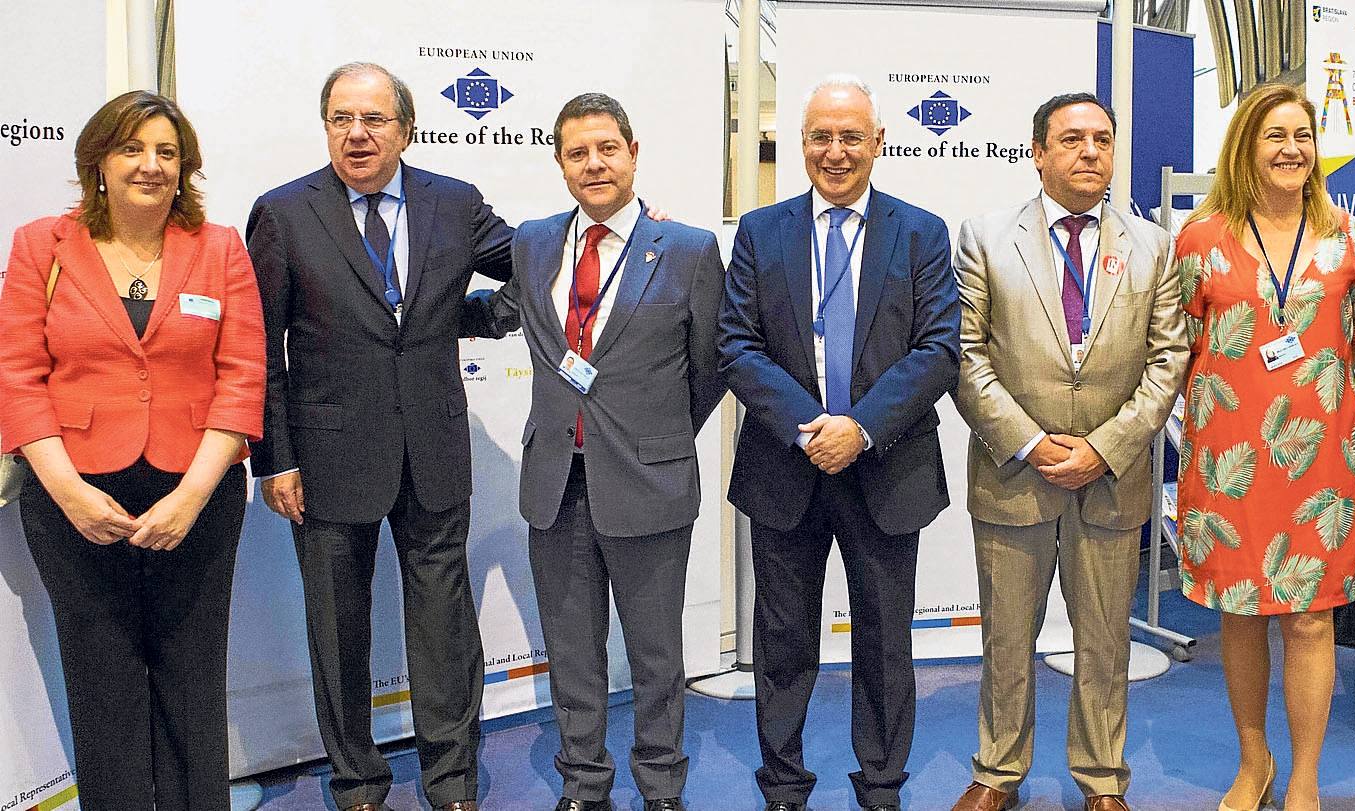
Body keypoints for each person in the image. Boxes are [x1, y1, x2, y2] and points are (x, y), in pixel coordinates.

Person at [246, 62, 513, 811]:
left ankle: (452, 779)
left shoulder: (454, 203)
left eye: (373, 119)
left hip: (433, 450)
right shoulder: (283, 213)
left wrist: (478, 315)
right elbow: (261, 349)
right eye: (341, 119)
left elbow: (538, 263)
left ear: (406, 129)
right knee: (338, 630)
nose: (356, 134)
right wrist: (275, 459)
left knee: (444, 627)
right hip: (325, 459)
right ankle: (358, 782)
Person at [460, 92, 726, 811]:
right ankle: (584, 781)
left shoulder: (689, 248)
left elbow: (711, 364)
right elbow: (506, 312)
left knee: (656, 654)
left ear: (633, 154)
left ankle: (661, 785)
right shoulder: (535, 242)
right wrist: (412, 314)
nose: (594, 163)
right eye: (577, 152)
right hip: (556, 481)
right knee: (572, 650)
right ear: (560, 164)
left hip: (650, 481)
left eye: (607, 148)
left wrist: (656, 434)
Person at [0, 90, 265, 808]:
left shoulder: (219, 249)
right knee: (101, 676)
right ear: (99, 161)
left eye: (167, 152)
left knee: (192, 672)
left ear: (185, 168)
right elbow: (18, 377)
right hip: (74, 495)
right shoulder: (41, 246)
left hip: (196, 494)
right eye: (132, 148)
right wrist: (69, 493)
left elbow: (242, 377)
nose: (150, 165)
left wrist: (191, 497)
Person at [718, 74, 960, 811]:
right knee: (782, 640)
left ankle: (881, 784)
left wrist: (859, 428)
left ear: (879, 142)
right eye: (821, 136)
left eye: (851, 136)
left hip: (887, 467)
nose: (836, 151)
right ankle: (783, 785)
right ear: (800, 144)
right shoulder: (761, 232)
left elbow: (938, 349)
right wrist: (811, 429)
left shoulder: (921, 232)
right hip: (785, 468)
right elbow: (737, 346)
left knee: (885, 642)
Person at [949, 92, 1188, 811]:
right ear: (1038, 152)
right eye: (1073, 138)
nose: (1090, 151)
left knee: (1106, 644)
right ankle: (996, 772)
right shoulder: (986, 237)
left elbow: (1168, 360)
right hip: (1014, 476)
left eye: (1102, 140)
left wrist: (1104, 448)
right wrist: (1029, 442)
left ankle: (1103, 780)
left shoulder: (1153, 246)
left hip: (1111, 480)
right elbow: (964, 356)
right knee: (1007, 641)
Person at [1172, 82, 1355, 811]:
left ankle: (1304, 778)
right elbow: (1179, 344)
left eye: (1303, 135)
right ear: (1246, 146)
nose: (1292, 148)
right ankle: (1254, 760)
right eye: (1275, 135)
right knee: (1240, 612)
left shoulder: (1348, 238)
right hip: (1228, 462)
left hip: (1320, 463)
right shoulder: (1200, 240)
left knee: (1310, 617)